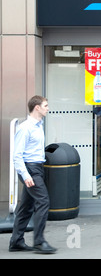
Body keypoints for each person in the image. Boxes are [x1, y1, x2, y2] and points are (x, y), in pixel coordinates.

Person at [9, 95, 57, 254]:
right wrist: (26, 175)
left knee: (26, 207)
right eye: (45, 105)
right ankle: (39, 242)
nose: (48, 108)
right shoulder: (25, 128)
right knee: (43, 201)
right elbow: (17, 155)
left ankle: (16, 241)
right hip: (29, 170)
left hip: (37, 167)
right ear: (37, 107)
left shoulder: (38, 125)